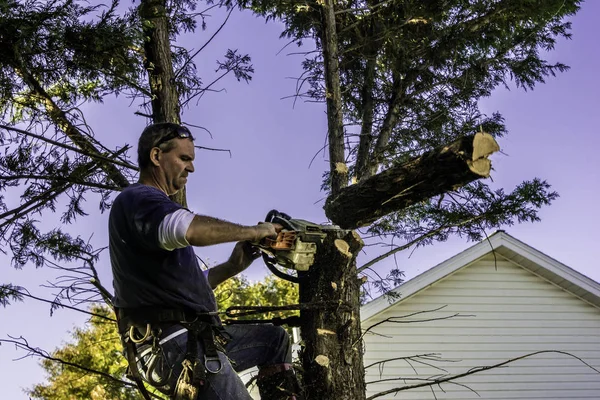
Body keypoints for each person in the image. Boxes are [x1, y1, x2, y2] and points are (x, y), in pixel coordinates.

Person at [108, 122, 301, 400]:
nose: (191, 168)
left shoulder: (149, 211)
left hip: (193, 339)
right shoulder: (140, 199)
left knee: (274, 341)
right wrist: (256, 231)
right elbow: (192, 230)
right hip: (172, 345)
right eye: (184, 158)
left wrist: (231, 267)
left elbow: (184, 289)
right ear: (156, 157)